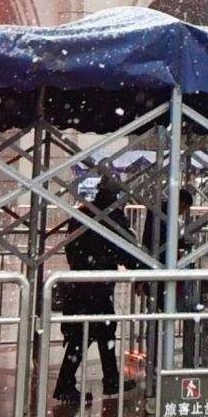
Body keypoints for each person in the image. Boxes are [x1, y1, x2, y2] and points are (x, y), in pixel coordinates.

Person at [53, 171, 143, 399]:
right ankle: (67, 383)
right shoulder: (113, 218)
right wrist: (141, 273)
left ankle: (110, 379)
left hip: (81, 281)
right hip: (97, 284)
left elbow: (71, 247)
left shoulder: (83, 213)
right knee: (91, 333)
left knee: (98, 331)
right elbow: (126, 251)